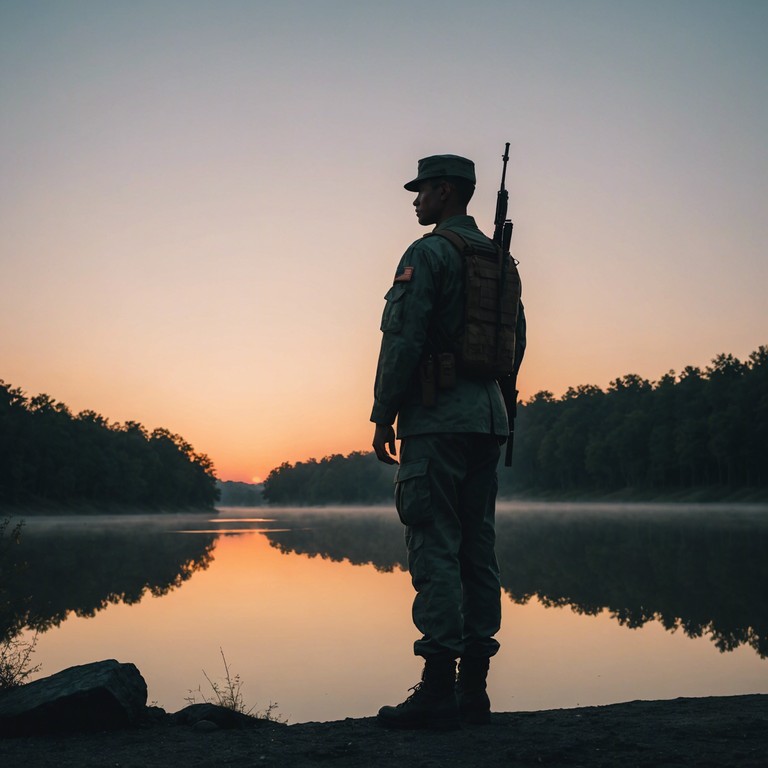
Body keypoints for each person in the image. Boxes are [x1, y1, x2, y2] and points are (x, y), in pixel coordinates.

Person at [371, 154, 525, 730]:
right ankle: (474, 692)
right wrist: (496, 406)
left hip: (435, 417)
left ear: (444, 192)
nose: (414, 201)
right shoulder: (503, 262)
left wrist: (383, 412)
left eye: (421, 192)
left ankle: (437, 690)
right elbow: (517, 343)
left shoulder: (428, 253)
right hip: (488, 418)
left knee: (433, 543)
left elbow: (403, 339)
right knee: (477, 549)